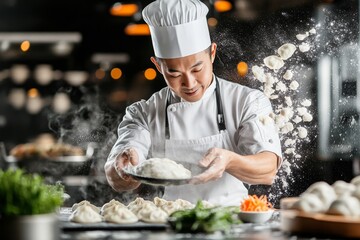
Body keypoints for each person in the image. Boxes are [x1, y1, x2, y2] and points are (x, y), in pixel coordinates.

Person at [105, 0, 282, 206]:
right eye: (174, 72)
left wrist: (230, 161)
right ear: (158, 66)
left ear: (212, 54)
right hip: (172, 220)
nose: (189, 83)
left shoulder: (246, 101)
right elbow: (115, 177)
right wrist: (124, 166)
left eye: (197, 68)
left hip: (232, 221)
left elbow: (268, 169)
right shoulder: (144, 113)